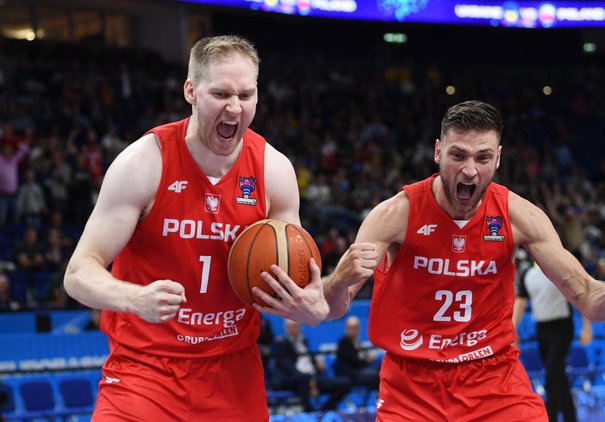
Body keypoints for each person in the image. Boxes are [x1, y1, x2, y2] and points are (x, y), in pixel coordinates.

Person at [255, 100, 605, 421]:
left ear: (499, 159)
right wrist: (337, 282)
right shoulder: (395, 214)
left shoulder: (519, 215)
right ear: (438, 151)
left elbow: (588, 298)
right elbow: (334, 306)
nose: (470, 169)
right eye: (458, 155)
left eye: (483, 157)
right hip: (412, 383)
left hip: (493, 376)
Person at [63, 35, 328, 421]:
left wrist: (310, 306)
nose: (235, 108)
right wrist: (134, 299)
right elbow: (77, 274)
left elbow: (294, 278)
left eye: (246, 94)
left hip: (233, 375)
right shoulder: (143, 162)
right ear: (191, 91)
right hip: (145, 371)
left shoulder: (274, 170)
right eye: (221, 93)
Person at [513, 259, 592, 422]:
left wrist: (587, 327)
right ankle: (571, 417)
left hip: (562, 326)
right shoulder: (528, 274)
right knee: (558, 375)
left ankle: (550, 417)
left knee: (551, 372)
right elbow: (521, 301)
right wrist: (512, 328)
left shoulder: (560, 271)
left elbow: (580, 296)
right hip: (542, 328)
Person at [270, 319, 351, 412]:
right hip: (294, 380)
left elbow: (308, 360)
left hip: (312, 378)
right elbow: (287, 367)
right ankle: (309, 412)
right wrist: (311, 383)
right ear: (286, 328)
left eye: (297, 326)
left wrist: (317, 362)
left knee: (345, 383)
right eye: (291, 326)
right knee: (304, 379)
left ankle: (325, 411)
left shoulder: (304, 341)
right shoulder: (281, 343)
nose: (294, 329)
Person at [334, 316, 380, 391]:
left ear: (358, 328)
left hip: (361, 370)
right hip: (350, 373)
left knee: (381, 369)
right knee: (376, 375)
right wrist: (366, 359)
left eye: (354, 328)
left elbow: (361, 355)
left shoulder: (357, 341)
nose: (352, 331)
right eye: (350, 328)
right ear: (346, 328)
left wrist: (367, 358)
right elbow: (352, 360)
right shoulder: (343, 342)